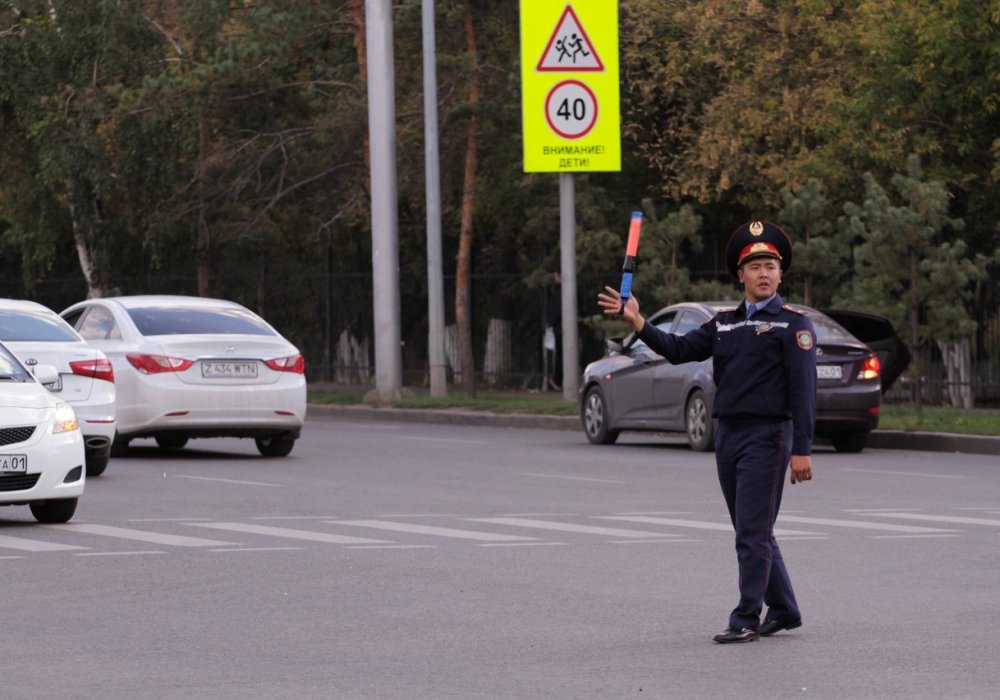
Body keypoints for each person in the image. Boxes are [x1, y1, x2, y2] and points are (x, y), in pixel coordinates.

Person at [597, 220, 816, 644]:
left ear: (781, 273)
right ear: (741, 275)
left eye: (771, 265)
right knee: (753, 530)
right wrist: (639, 323)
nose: (764, 273)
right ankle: (785, 608)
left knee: (752, 533)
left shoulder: (794, 327)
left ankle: (746, 616)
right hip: (728, 436)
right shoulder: (724, 324)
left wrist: (801, 449)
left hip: (769, 436)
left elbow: (803, 391)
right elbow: (679, 350)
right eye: (755, 267)